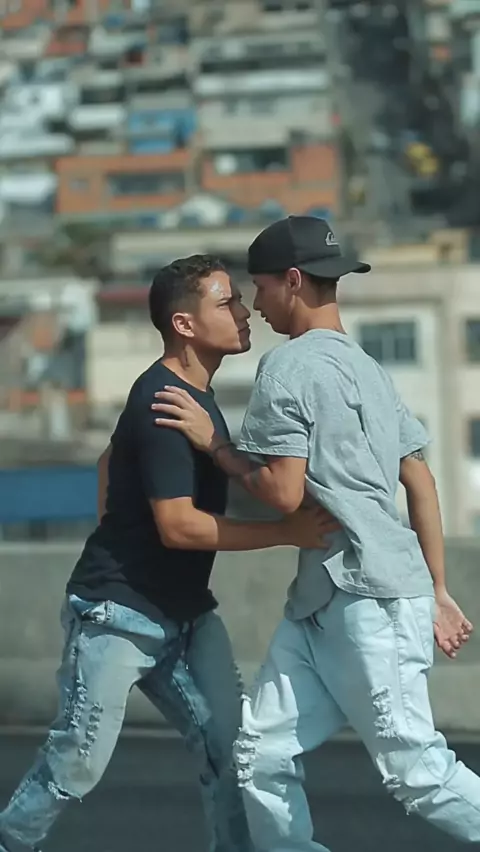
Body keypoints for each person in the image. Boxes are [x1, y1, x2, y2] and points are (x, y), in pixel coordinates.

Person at [151, 218, 480, 851]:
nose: (255, 305)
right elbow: (420, 481)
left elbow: (282, 493)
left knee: (416, 770)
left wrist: (216, 446)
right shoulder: (371, 370)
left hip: (370, 602)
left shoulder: (287, 366)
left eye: (260, 287)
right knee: (262, 754)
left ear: (293, 281)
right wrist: (438, 589)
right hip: (322, 604)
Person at [0, 254, 336, 852]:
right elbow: (179, 527)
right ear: (184, 324)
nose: (244, 311)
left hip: (186, 613)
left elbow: (109, 461)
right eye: (226, 302)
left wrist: (120, 526)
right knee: (76, 761)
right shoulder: (163, 402)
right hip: (119, 617)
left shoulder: (194, 398)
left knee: (232, 752)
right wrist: (288, 532)